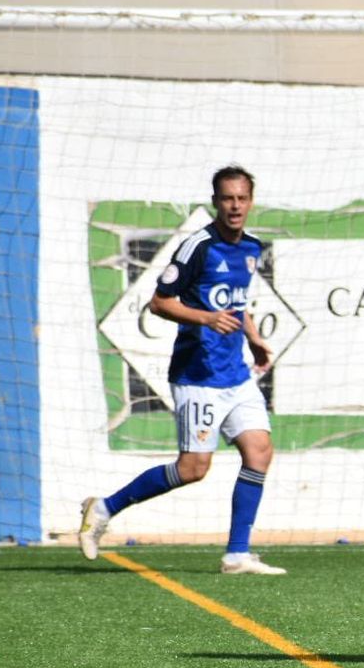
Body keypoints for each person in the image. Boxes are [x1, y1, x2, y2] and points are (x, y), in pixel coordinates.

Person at [78, 166, 284, 574]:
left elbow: (236, 304)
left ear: (251, 201)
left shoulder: (252, 247)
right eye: (227, 198)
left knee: (259, 451)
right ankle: (103, 508)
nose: (235, 206)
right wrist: (205, 319)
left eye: (242, 198)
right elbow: (159, 302)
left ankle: (237, 554)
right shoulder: (197, 247)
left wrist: (254, 337)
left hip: (236, 374)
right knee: (193, 468)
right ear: (215, 201)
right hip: (197, 376)